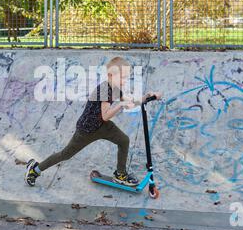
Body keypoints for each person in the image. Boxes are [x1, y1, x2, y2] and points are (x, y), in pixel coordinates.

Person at [25, 56, 162, 187]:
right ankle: (35, 169)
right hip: (87, 130)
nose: (124, 81)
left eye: (126, 77)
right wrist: (120, 105)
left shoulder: (115, 88)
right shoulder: (104, 89)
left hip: (103, 126)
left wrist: (147, 97)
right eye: (122, 77)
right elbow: (105, 115)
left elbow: (130, 102)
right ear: (110, 75)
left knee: (123, 140)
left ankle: (120, 174)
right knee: (66, 154)